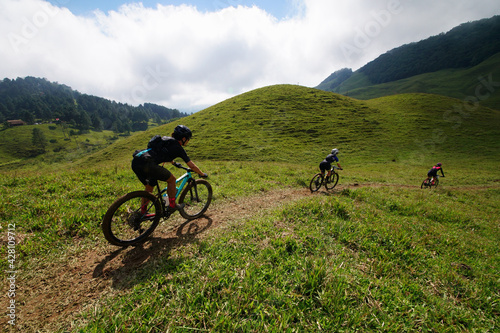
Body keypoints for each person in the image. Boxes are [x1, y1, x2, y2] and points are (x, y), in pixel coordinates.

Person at [132, 125, 207, 215]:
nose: (188, 141)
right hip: (148, 164)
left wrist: (174, 163)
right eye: (188, 139)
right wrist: (202, 174)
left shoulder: (165, 139)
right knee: (172, 180)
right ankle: (172, 205)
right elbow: (192, 166)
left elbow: (162, 152)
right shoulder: (179, 148)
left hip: (137, 161)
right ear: (183, 138)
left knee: (149, 188)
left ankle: (142, 213)